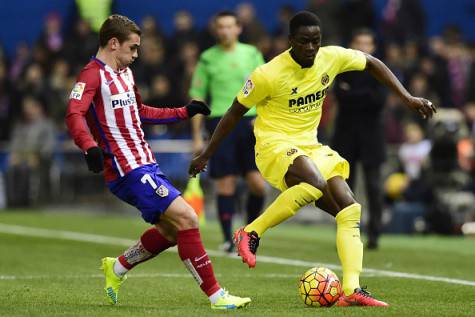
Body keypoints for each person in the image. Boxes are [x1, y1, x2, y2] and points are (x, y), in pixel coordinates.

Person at [189, 11, 436, 307]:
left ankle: (351, 289)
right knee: (315, 183)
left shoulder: (330, 57)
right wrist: (206, 153)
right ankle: (251, 231)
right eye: (303, 41)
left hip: (311, 145)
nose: (310, 48)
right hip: (274, 145)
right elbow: (233, 113)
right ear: (290, 40)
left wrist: (407, 97)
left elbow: (372, 62)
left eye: (315, 41)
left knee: (350, 208)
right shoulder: (268, 74)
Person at [65, 14, 250, 310]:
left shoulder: (125, 73)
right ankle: (217, 296)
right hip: (126, 170)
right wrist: (89, 147)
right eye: (133, 48)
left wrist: (183, 112)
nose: (136, 55)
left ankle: (118, 268)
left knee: (171, 231)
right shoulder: (91, 75)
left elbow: (140, 111)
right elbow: (73, 114)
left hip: (146, 163)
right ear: (114, 44)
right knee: (188, 217)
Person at [189, 11, 266, 253]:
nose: (225, 31)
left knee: (258, 185)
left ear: (238, 28)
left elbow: (268, 89)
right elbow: (197, 96)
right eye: (220, 26)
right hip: (220, 123)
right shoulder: (207, 58)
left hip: (250, 122)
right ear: (216, 30)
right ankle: (227, 240)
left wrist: (264, 119)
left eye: (229, 26)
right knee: (226, 183)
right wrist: (196, 136)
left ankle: (250, 233)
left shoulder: (252, 54)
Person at [331, 28, 387, 249]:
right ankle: (349, 233)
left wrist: (352, 95)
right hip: (346, 135)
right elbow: (340, 95)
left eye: (367, 43)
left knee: (374, 187)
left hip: (371, 137)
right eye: (359, 42)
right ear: (352, 44)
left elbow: (378, 101)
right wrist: (363, 96)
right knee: (345, 188)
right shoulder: (342, 68)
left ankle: (374, 233)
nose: (363, 47)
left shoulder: (380, 70)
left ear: (373, 46)